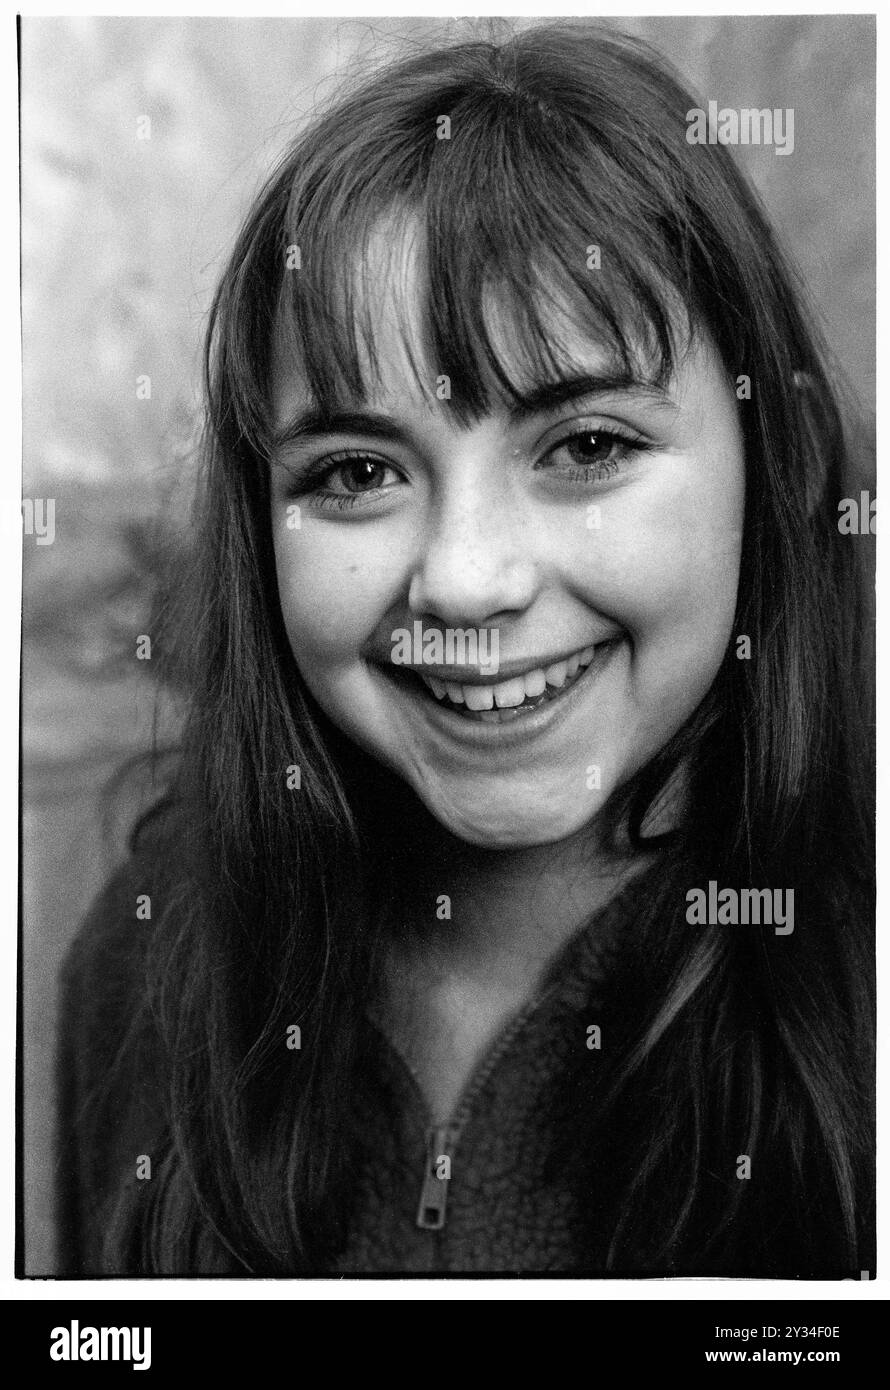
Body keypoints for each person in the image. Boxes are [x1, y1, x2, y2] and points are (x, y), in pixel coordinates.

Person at [56, 22, 874, 1277]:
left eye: (586, 446)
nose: (464, 580)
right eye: (358, 471)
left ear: (767, 466)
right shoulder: (147, 959)